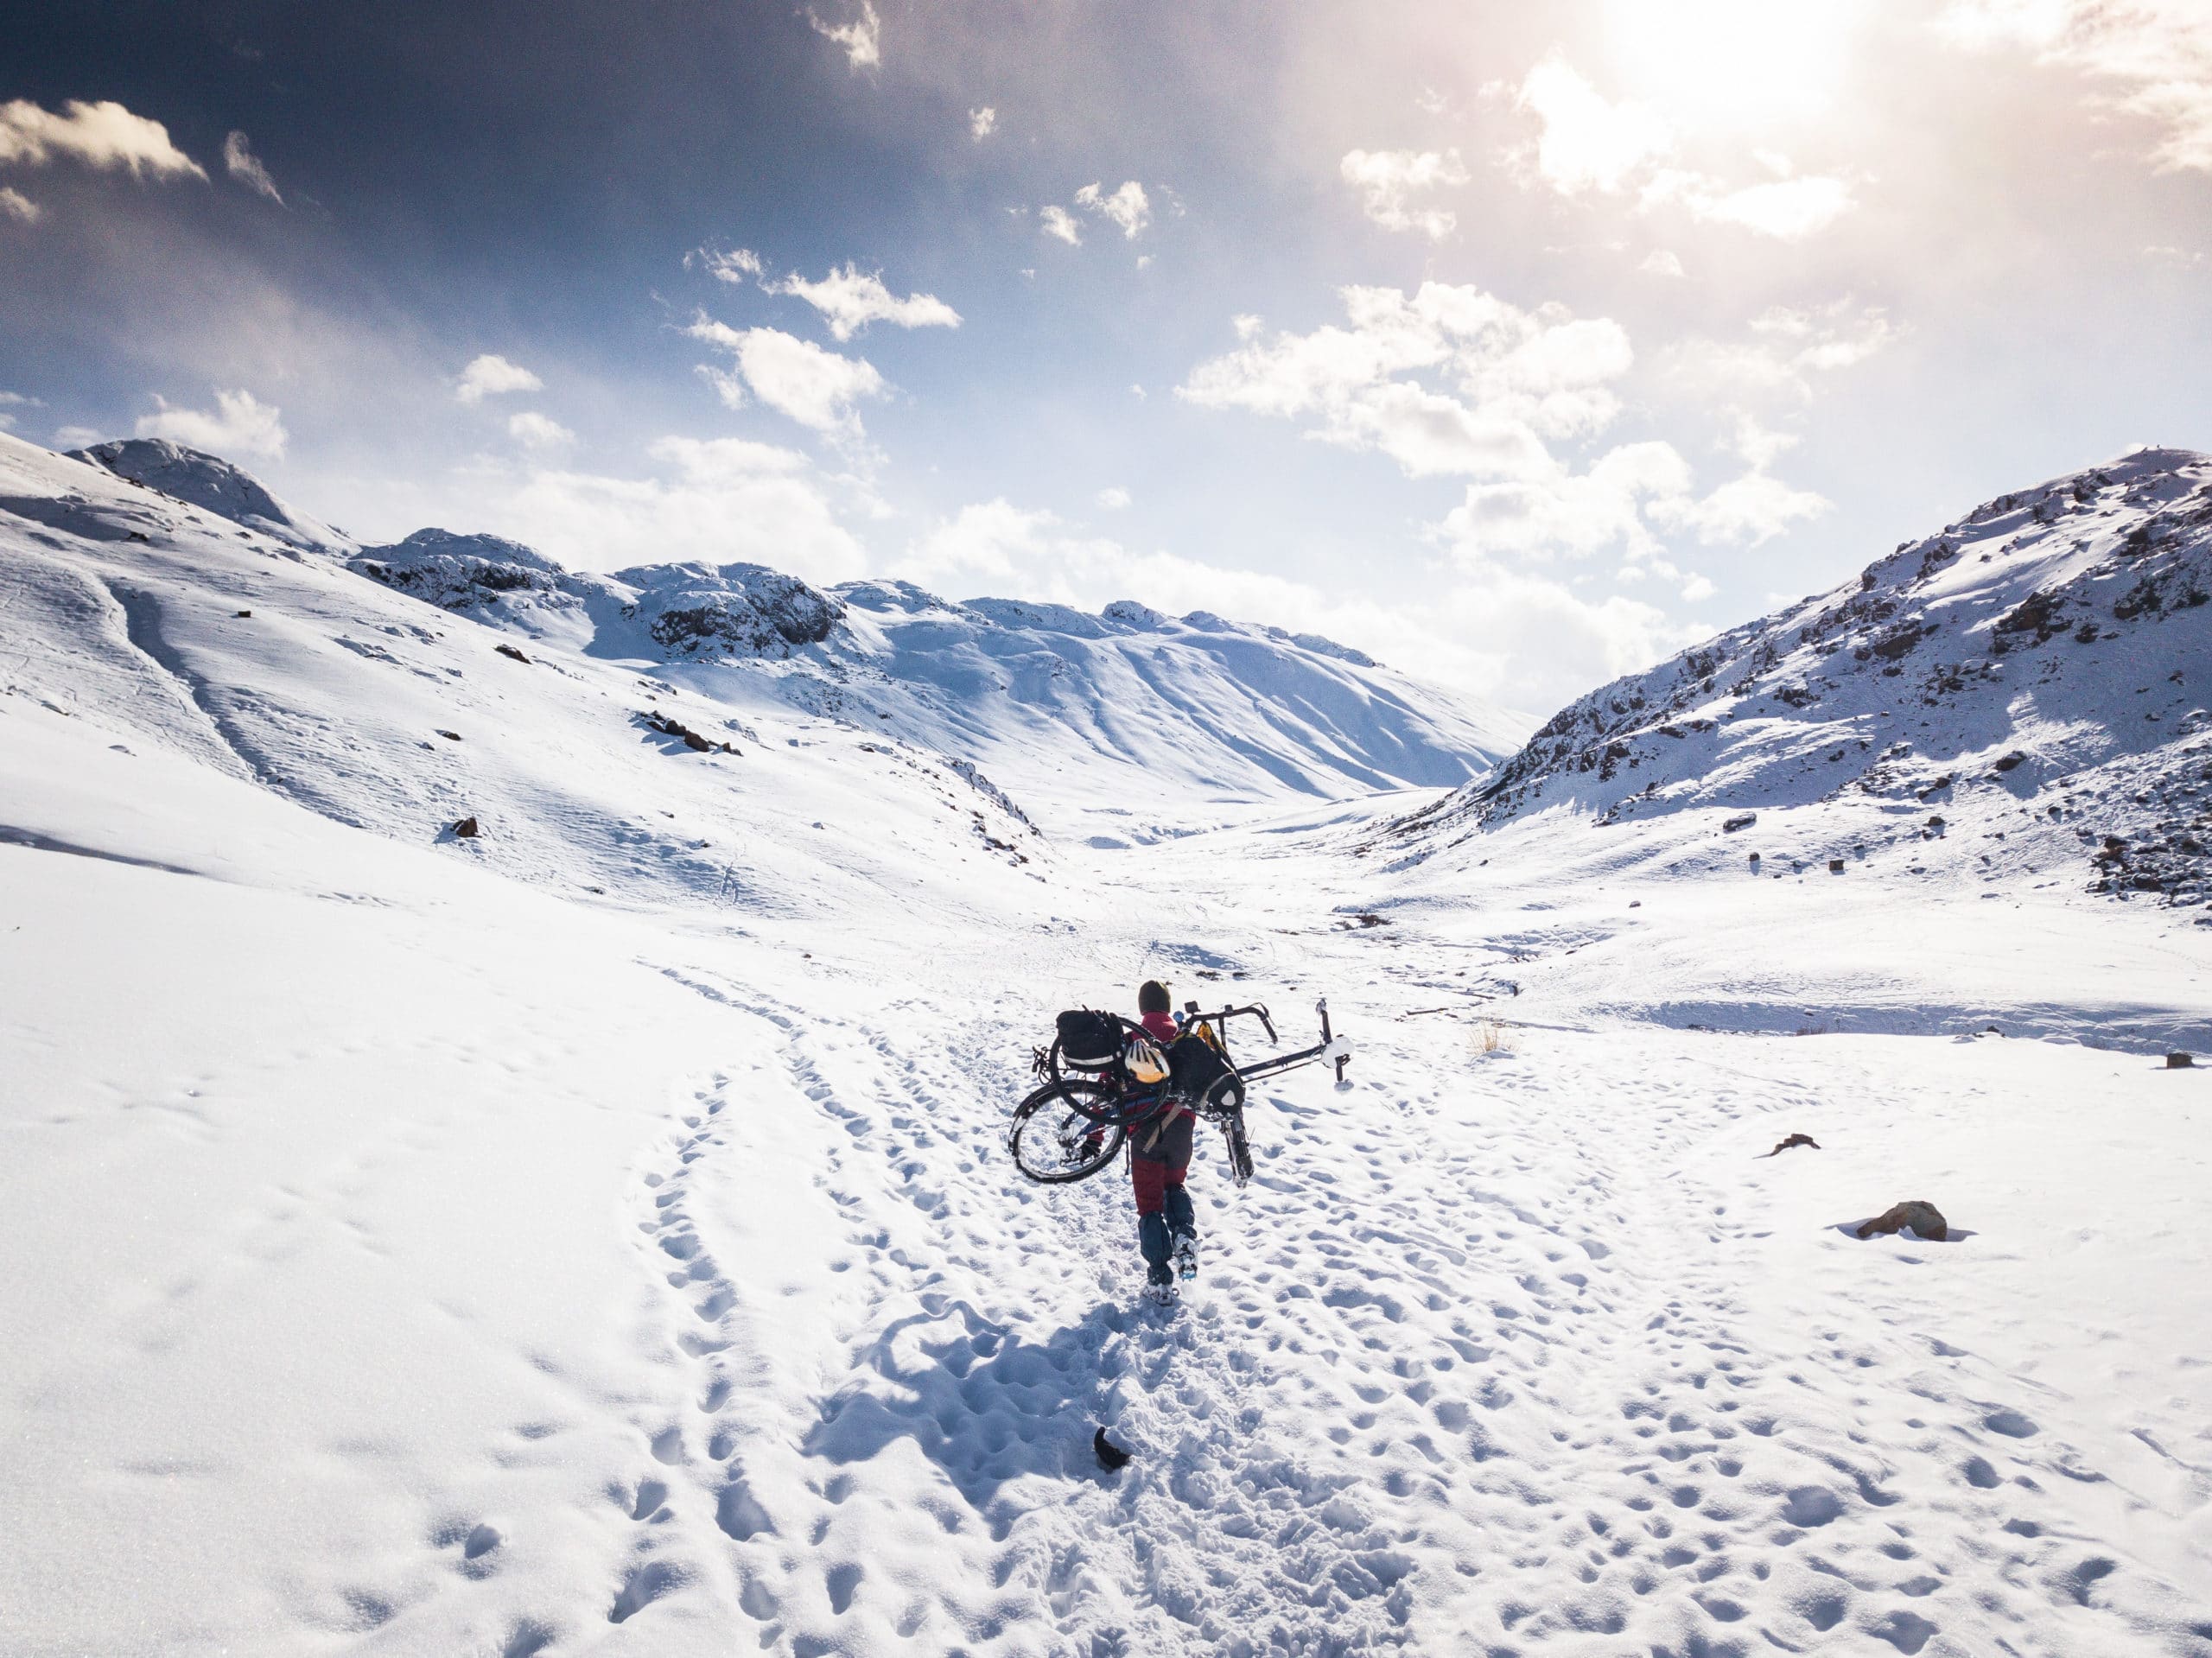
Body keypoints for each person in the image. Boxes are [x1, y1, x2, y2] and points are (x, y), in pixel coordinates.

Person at [1128, 979, 1199, 1302]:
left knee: (1150, 1205)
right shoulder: (1187, 1037)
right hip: (1182, 1130)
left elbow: (1104, 1090)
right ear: (1169, 1006)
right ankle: (1184, 1235)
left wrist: (1095, 1137)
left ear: (1143, 1007)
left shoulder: (1132, 1037)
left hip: (1145, 1132)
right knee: (1175, 1187)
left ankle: (1159, 1280)